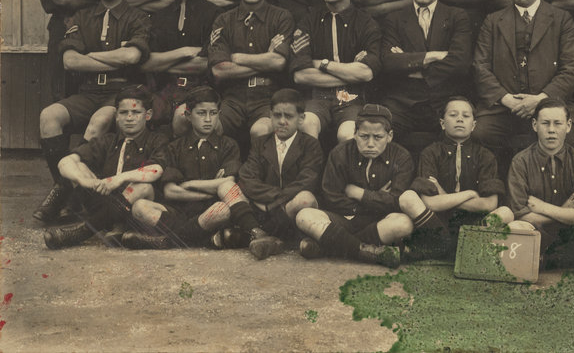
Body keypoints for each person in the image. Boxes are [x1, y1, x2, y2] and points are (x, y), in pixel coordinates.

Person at [34, 0, 152, 224]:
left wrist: (91, 55)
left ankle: (76, 197)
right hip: (88, 91)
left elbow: (132, 57)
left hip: (119, 92)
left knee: (98, 122)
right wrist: (114, 56)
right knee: (49, 116)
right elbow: (69, 61)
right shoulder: (82, 16)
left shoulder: (137, 17)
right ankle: (65, 187)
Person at [122, 87, 286, 259]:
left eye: (213, 113)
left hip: (210, 212)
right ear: (187, 115)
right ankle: (198, 238)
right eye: (201, 113)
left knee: (223, 208)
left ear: (219, 114)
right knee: (140, 207)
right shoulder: (175, 147)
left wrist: (188, 184)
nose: (208, 119)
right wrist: (211, 189)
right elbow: (171, 191)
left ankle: (166, 240)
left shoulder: (228, 145)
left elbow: (228, 182)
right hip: (178, 214)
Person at [472, 0, 574, 167]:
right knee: (480, 133)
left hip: (550, 106)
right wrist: (507, 100)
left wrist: (540, 100)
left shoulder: (561, 19)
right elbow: (480, 67)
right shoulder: (493, 21)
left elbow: (572, 68)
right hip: (504, 109)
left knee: (572, 138)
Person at [295, 104, 428, 267]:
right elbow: (332, 197)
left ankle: (330, 246)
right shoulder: (340, 153)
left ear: (390, 135)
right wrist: (376, 199)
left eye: (378, 137)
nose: (370, 143)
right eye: (364, 136)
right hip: (345, 218)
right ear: (355, 134)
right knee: (304, 215)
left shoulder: (401, 158)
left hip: (377, 223)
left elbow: (396, 201)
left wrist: (359, 193)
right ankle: (366, 251)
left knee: (404, 223)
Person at [42, 87, 168, 249]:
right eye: (123, 113)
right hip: (105, 201)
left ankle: (81, 232)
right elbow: (64, 163)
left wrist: (119, 179)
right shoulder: (108, 141)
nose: (129, 118)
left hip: (134, 208)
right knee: (78, 165)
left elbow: (156, 170)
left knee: (142, 186)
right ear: (116, 116)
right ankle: (115, 228)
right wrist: (87, 182)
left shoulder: (157, 140)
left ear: (148, 115)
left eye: (136, 113)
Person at [380, 0, 474, 154]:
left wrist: (411, 62)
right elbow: (389, 62)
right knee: (379, 132)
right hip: (402, 100)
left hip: (442, 99)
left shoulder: (457, 17)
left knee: (458, 136)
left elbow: (460, 63)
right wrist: (431, 57)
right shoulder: (394, 19)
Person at [290, 0, 381, 143]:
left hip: (352, 98)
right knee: (306, 124)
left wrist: (322, 64)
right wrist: (348, 71)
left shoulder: (366, 23)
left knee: (347, 134)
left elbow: (366, 73)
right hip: (318, 97)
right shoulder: (308, 21)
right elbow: (301, 76)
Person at [498, 99, 574, 264]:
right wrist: (564, 211)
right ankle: (548, 260)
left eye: (557, 123)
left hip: (571, 235)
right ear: (534, 125)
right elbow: (523, 216)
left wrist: (545, 208)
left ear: (568, 126)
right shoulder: (521, 162)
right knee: (515, 228)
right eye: (545, 123)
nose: (551, 130)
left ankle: (548, 261)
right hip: (536, 232)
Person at [207, 0, 295, 141]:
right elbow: (219, 69)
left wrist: (237, 58)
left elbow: (279, 62)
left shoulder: (281, 17)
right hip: (232, 96)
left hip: (269, 95)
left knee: (260, 130)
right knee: (209, 128)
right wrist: (266, 61)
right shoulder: (223, 20)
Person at [235, 89, 323, 257]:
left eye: (289, 116)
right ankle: (277, 239)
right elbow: (248, 178)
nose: (282, 121)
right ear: (270, 116)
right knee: (235, 189)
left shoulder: (310, 145)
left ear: (301, 118)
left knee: (305, 198)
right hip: (266, 208)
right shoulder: (261, 143)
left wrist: (271, 205)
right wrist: (275, 199)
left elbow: (308, 181)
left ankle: (269, 237)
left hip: (287, 209)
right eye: (277, 115)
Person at [410, 97, 504, 252]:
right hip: (438, 223)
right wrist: (470, 194)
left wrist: (444, 195)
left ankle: (464, 244)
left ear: (473, 125)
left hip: (473, 223)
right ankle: (448, 244)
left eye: (466, 116)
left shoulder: (485, 156)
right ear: (442, 123)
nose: (459, 119)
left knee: (505, 213)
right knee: (409, 198)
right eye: (453, 115)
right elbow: (429, 203)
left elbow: (489, 204)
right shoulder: (431, 153)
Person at [142, 0, 220, 133]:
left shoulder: (215, 14)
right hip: (165, 90)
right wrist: (184, 52)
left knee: (183, 116)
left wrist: (164, 62)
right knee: (137, 115)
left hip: (201, 90)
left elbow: (206, 63)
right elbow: (147, 63)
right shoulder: (159, 16)